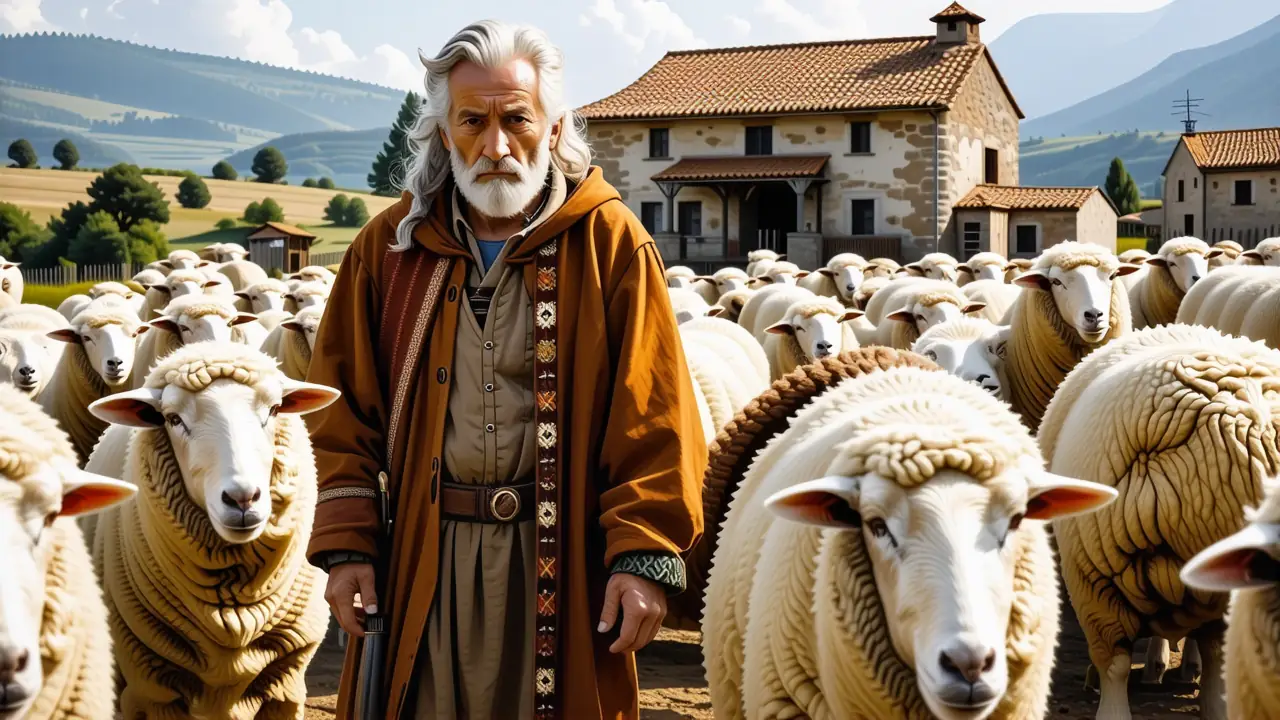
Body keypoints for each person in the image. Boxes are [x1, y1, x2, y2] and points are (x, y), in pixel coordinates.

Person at [305, 19, 707, 720]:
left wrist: (642, 557)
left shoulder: (610, 243)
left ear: (552, 129)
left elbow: (655, 417)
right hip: (423, 560)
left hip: (562, 563)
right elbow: (340, 416)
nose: (495, 146)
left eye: (516, 119)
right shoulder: (389, 251)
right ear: (442, 132)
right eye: (472, 122)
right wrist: (347, 547)